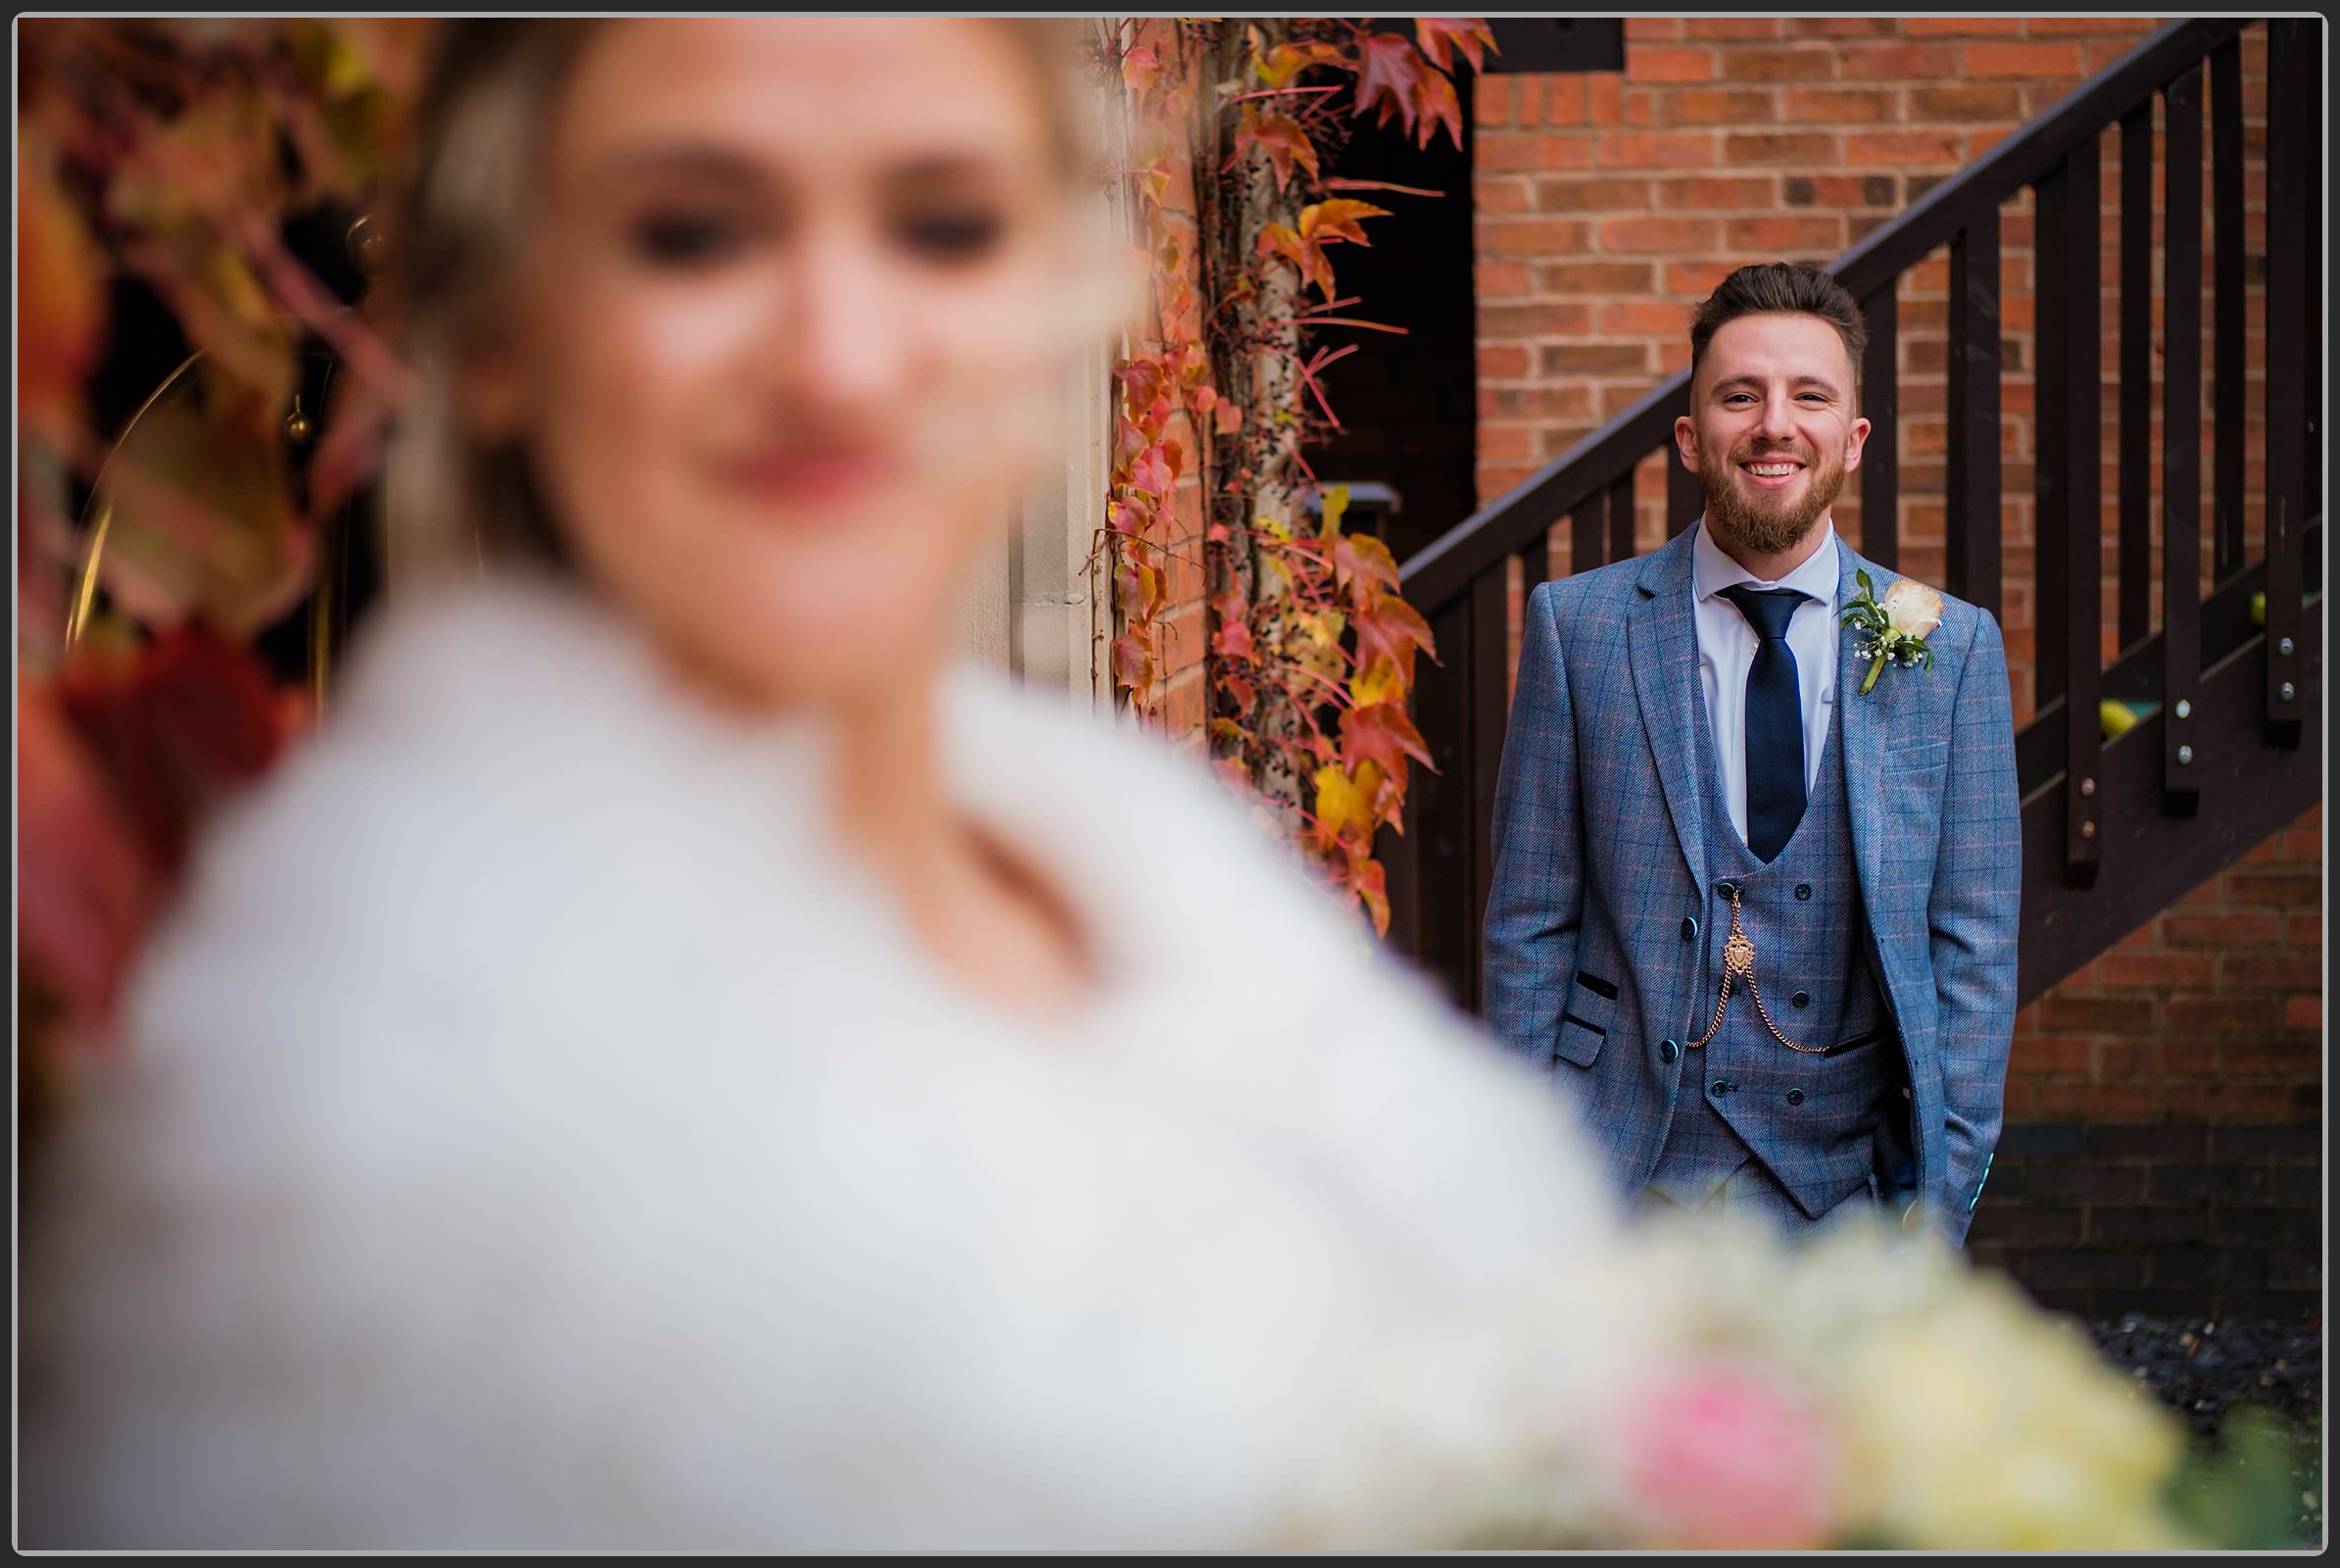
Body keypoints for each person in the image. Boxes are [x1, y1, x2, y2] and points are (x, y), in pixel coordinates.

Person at [19, 18, 1650, 1549]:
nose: (840, 359)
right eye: (694, 232)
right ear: (496, 322)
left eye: (942, 228)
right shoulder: (360, 1124)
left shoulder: (1150, 875)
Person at [1482, 263, 2021, 1244]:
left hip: (1850, 1196)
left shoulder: (1952, 650)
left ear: (1853, 441)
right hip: (1618, 1179)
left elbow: (1972, 955)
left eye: (1809, 395)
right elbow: (1528, 926)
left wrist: (1937, 1210)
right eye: (1741, 395)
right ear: (1692, 437)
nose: (1776, 423)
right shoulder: (1578, 627)